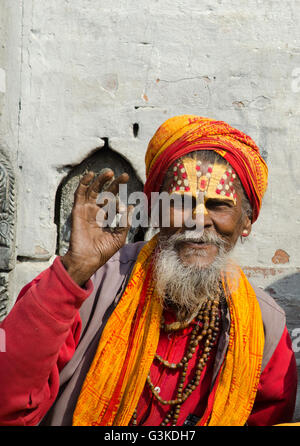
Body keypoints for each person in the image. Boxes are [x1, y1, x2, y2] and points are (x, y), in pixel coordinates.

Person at [0, 115, 297, 426]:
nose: (197, 220)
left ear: (246, 221)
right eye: (181, 201)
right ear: (155, 209)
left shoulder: (265, 330)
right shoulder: (91, 285)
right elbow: (7, 404)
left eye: (218, 205)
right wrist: (71, 272)